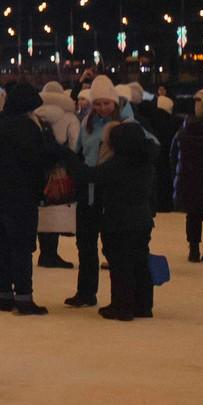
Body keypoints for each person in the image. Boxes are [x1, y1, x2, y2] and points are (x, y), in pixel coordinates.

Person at [65, 122, 157, 320]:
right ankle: (143, 305)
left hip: (119, 221)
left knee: (120, 264)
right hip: (142, 219)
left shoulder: (120, 163)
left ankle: (122, 306)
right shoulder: (145, 161)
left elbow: (90, 175)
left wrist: (69, 158)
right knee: (140, 263)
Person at [0, 82, 59, 316]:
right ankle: (24, 297)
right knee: (22, 247)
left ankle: (4, 296)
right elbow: (35, 162)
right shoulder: (27, 127)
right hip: (20, 196)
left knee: (2, 246)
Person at [67, 75, 129, 307]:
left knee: (113, 246)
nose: (102, 108)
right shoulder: (87, 124)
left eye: (107, 103)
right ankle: (86, 292)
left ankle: (119, 298)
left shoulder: (126, 124)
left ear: (115, 102)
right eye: (98, 103)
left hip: (113, 193)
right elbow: (78, 150)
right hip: (89, 191)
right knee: (85, 244)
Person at [34, 82, 80, 268]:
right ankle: (51, 252)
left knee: (42, 207)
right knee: (57, 206)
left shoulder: (34, 115)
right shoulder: (69, 117)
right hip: (60, 169)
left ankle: (44, 249)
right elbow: (75, 144)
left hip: (38, 168)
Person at [172, 97, 203, 262]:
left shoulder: (183, 131)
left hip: (188, 179)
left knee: (193, 215)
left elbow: (173, 155)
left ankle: (193, 249)